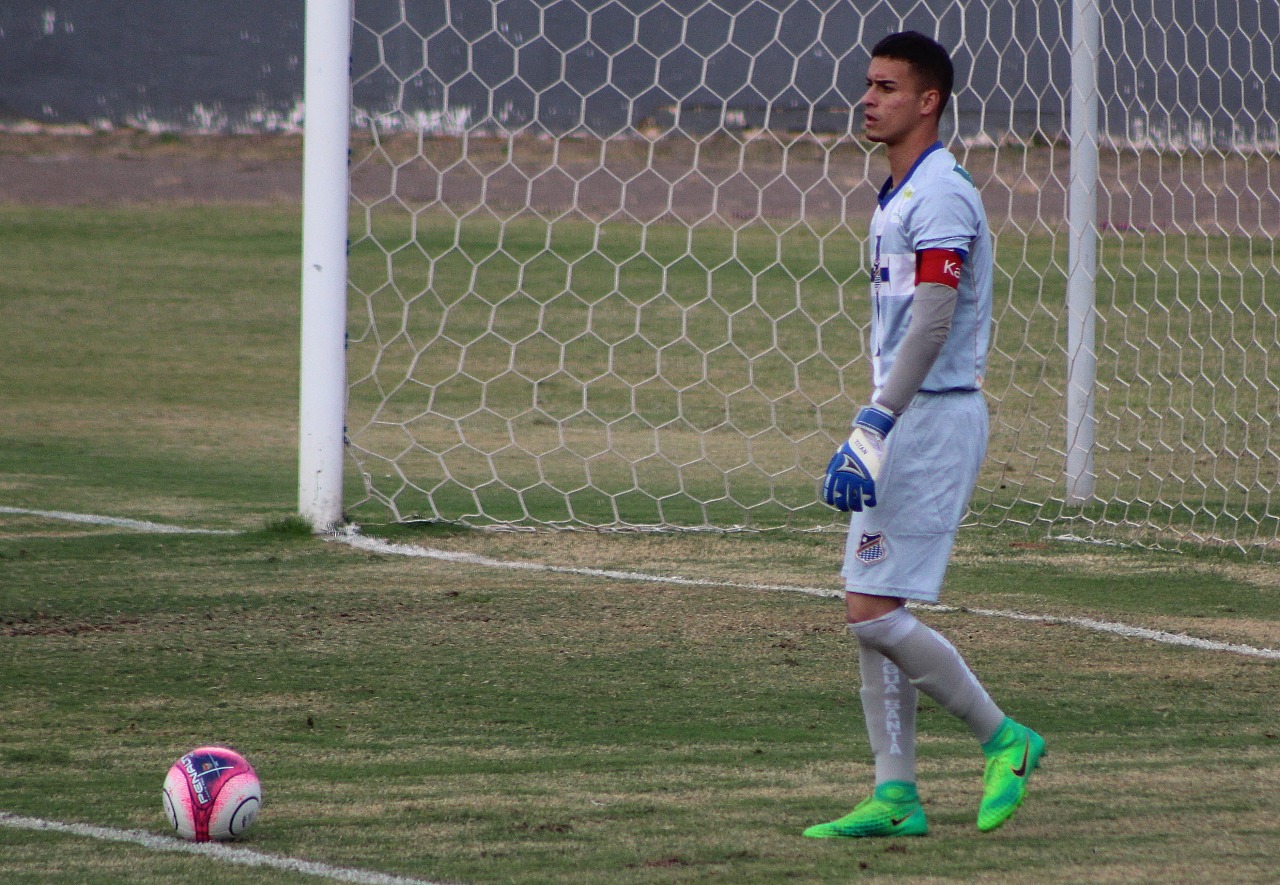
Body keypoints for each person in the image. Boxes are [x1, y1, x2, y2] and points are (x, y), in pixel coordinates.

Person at [804, 31, 1045, 838]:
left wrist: (875, 423)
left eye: (886, 87)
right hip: (902, 413)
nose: (867, 98)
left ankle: (1004, 738)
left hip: (930, 416)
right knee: (872, 604)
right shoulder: (898, 190)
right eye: (867, 85)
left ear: (928, 100)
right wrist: (877, 417)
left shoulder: (940, 193)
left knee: (872, 612)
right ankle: (896, 795)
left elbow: (936, 320)